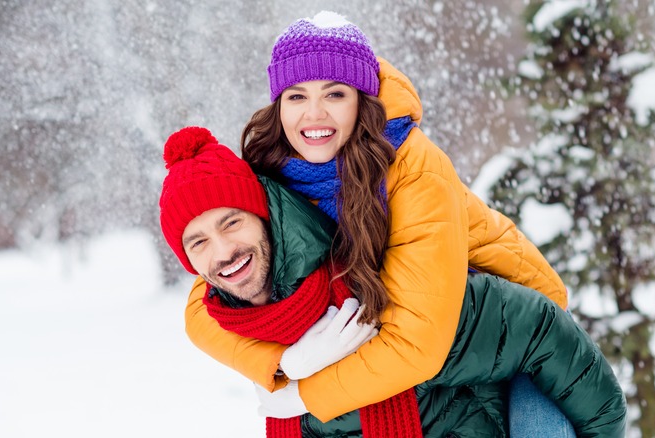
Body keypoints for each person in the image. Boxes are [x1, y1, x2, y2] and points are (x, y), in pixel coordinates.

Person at [184, 10, 576, 435]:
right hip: (442, 349)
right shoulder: (269, 172)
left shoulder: (413, 168)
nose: (313, 115)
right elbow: (202, 307)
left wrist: (302, 395)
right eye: (296, 96)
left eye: (334, 94)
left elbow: (417, 344)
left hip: (513, 332)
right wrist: (283, 363)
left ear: (363, 100)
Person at [158, 126, 626, 437]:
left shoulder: (373, 279)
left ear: (265, 215)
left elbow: (536, 325)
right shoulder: (251, 327)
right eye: (197, 242)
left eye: (232, 223)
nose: (221, 252)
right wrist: (285, 366)